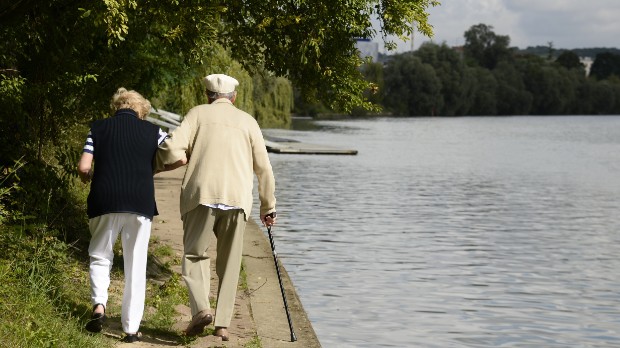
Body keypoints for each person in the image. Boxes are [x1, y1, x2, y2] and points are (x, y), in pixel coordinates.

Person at [155, 74, 277, 341]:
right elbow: (264, 168)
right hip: (236, 200)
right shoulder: (248, 121)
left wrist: (159, 164)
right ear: (233, 98)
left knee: (196, 255)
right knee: (230, 263)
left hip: (201, 196)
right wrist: (268, 206)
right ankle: (222, 324)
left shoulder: (197, 114)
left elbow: (173, 148)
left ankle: (201, 310)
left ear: (207, 95)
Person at [77, 88, 169, 343]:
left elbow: (84, 167)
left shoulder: (98, 128)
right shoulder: (153, 131)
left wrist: (89, 178)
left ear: (117, 107)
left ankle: (99, 307)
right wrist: (154, 168)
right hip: (139, 202)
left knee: (100, 255)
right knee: (135, 264)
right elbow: (179, 156)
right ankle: (130, 330)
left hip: (104, 198)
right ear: (141, 110)